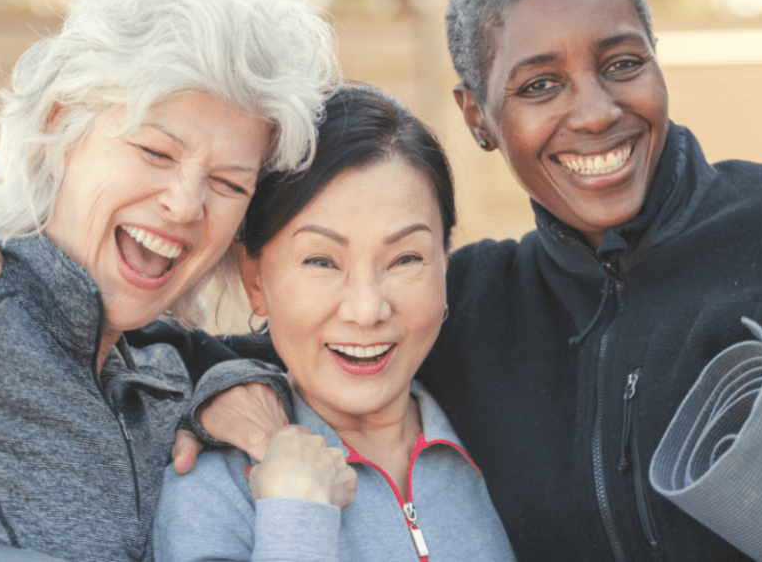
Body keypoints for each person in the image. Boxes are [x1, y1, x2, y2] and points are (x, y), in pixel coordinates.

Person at [0, 0, 762, 562]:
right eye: (537, 86)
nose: (595, 112)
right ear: (478, 118)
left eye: (622, 64)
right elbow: (198, 338)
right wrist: (15, 279)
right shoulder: (472, 306)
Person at [0, 0, 342, 562]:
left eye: (228, 184)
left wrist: (225, 385)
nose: (184, 204)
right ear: (60, 128)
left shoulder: (165, 382)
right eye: (155, 151)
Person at [153, 84, 515, 562]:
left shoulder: (501, 440)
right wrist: (295, 520)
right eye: (322, 261)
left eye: (406, 258)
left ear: (444, 266)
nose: (367, 310)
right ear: (255, 279)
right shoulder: (213, 488)